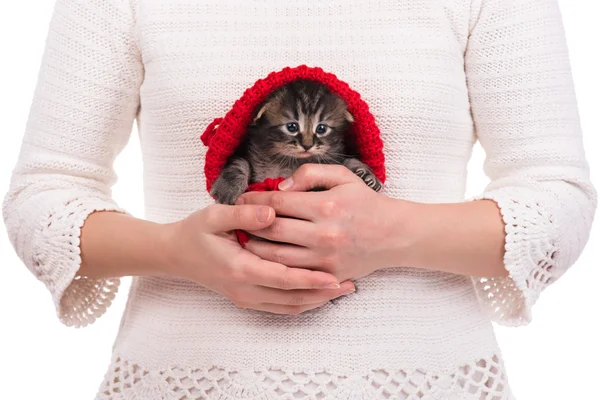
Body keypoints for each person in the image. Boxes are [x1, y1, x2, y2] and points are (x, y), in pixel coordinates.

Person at [3, 0, 596, 398]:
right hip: (179, 377)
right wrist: (176, 250)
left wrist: (388, 235)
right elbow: (42, 194)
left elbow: (557, 196)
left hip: (427, 379)